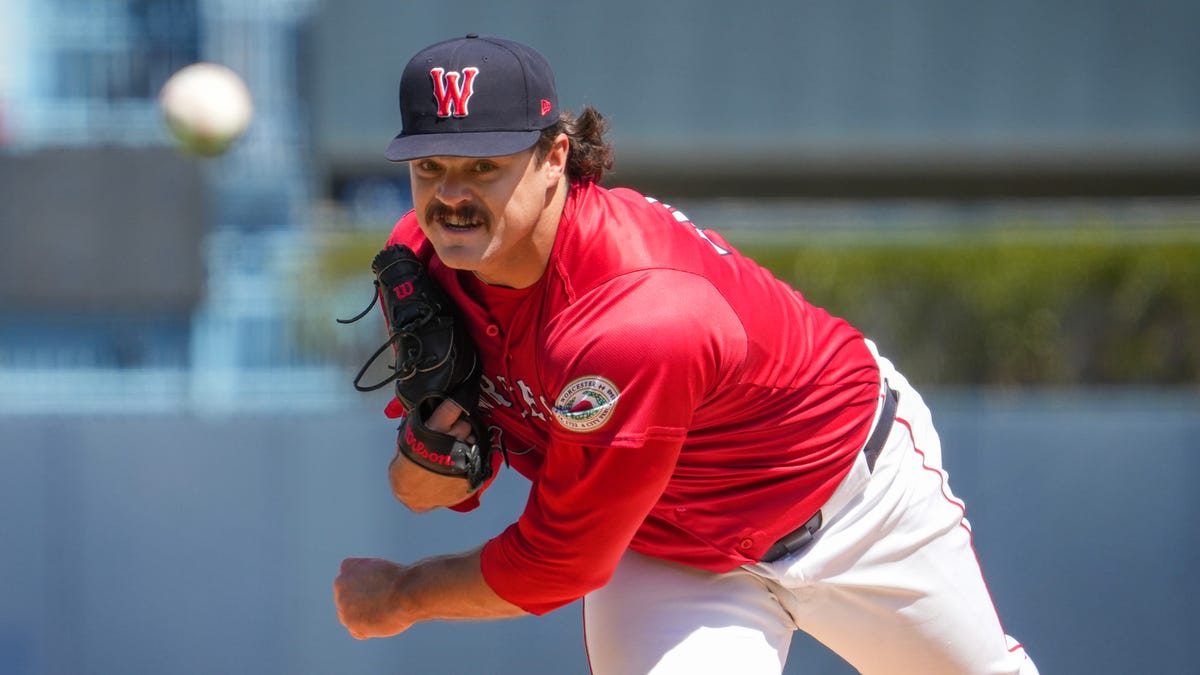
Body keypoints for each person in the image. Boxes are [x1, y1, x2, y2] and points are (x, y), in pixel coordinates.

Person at [333, 34, 1039, 675]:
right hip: (667, 547)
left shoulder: (634, 314)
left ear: (554, 157)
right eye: (430, 166)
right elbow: (429, 479)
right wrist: (431, 461)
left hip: (854, 502)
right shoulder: (421, 262)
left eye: (483, 165)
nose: (451, 197)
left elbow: (559, 560)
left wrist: (401, 594)